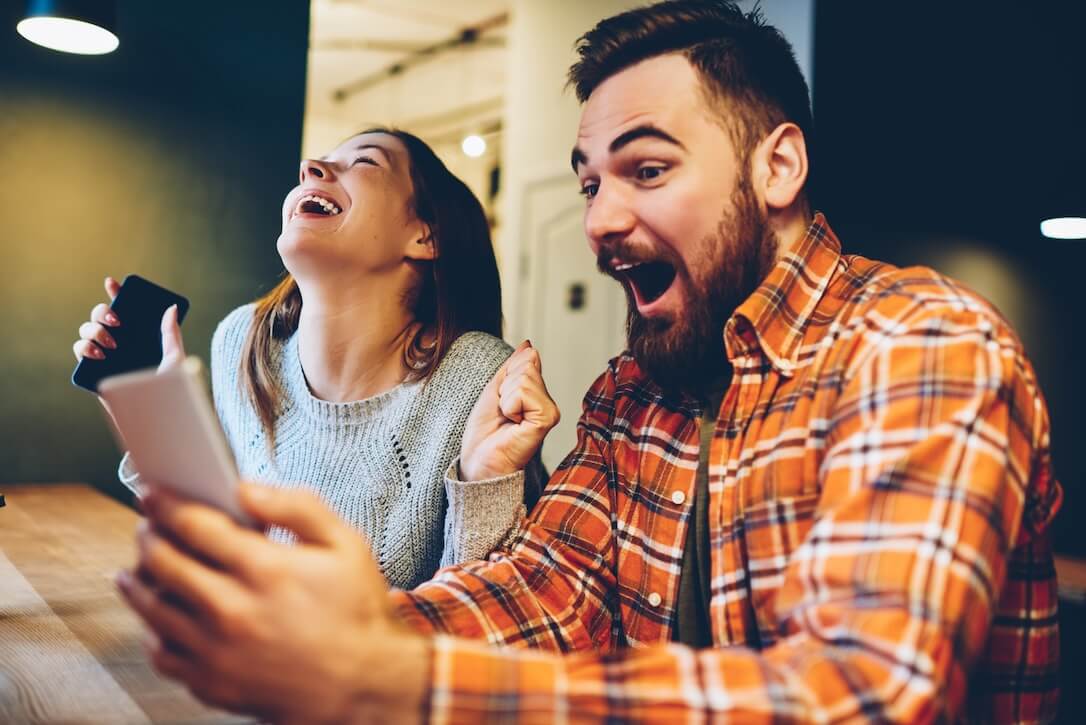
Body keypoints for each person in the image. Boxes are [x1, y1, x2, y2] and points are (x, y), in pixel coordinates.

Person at [117, 2, 1063, 722]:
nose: (601, 221)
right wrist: (337, 631)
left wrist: (379, 672)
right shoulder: (631, 394)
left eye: (647, 170)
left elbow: (860, 690)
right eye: (589, 184)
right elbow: (543, 584)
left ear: (777, 168)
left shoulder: (918, 342)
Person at [75, 128, 546, 589]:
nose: (310, 168)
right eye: (317, 164)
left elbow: (483, 613)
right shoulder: (243, 341)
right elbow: (219, 557)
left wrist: (487, 487)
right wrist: (156, 428)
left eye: (364, 161)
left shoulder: (480, 379)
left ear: (425, 236)